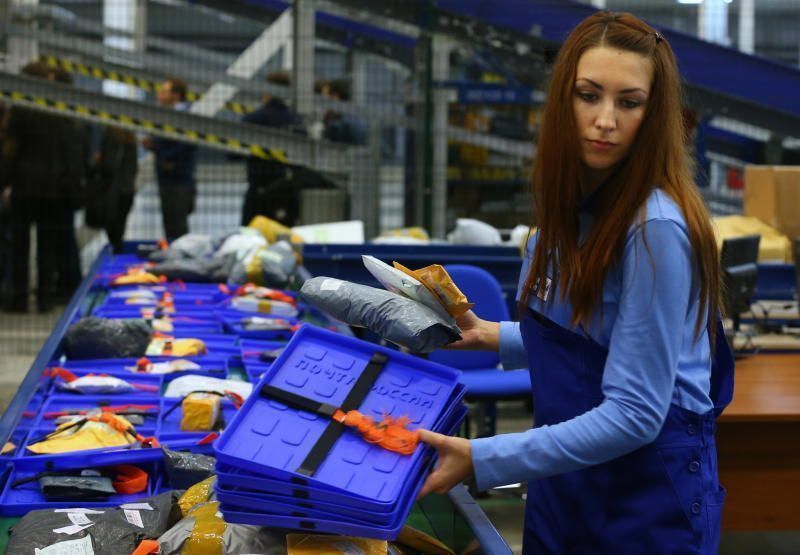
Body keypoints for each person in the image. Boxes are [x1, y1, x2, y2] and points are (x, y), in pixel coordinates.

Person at [417, 12, 734, 555]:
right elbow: (594, 345)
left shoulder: (653, 229)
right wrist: (491, 335)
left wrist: (483, 458)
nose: (605, 119)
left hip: (645, 498)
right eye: (589, 95)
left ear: (653, 115)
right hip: (567, 481)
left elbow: (635, 413)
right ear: (564, 100)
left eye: (629, 102)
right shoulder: (567, 219)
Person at [0, 61, 83, 312]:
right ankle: (44, 299)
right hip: (53, 189)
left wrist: (4, 181)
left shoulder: (22, 111)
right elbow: (71, 151)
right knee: (48, 246)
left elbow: (11, 151)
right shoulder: (60, 112)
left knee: (20, 246)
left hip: (24, 187)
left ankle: (19, 298)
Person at [240, 73, 298, 226]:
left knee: (251, 232)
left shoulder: (253, 119)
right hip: (286, 189)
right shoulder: (295, 120)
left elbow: (234, 152)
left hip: (258, 186)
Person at [143, 77, 197, 242]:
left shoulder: (185, 117)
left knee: (177, 226)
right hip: (168, 178)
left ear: (176, 95)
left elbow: (187, 143)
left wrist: (167, 157)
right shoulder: (166, 115)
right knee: (170, 224)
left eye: (164, 92)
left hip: (179, 179)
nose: (159, 95)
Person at [96, 126, 138, 253]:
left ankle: (116, 251)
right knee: (120, 227)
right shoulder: (131, 139)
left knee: (112, 227)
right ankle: (118, 250)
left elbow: (108, 165)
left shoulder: (111, 136)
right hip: (127, 190)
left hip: (113, 191)